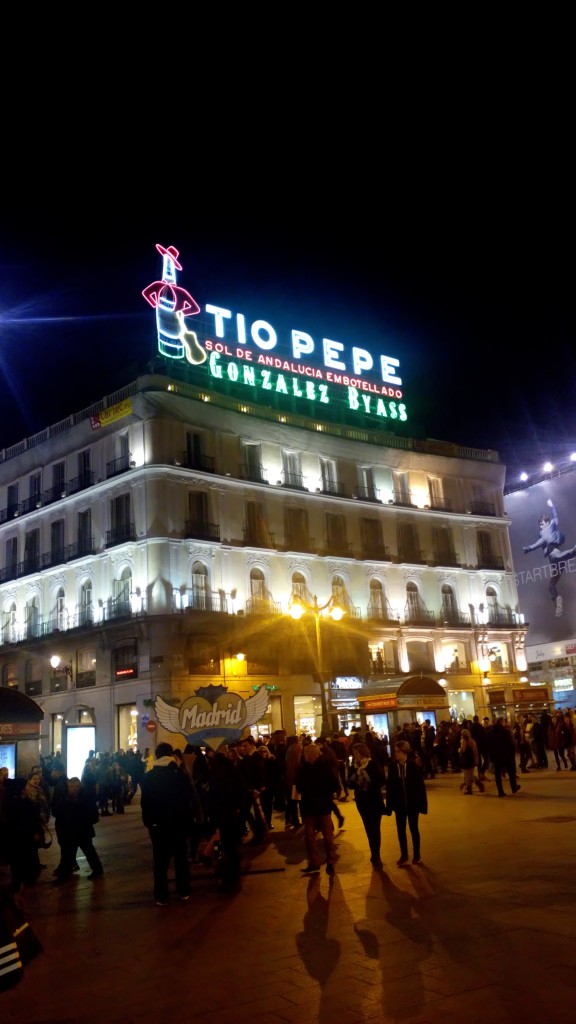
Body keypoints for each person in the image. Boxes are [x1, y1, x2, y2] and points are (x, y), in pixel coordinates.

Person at [140, 742, 192, 905]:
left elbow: (145, 803)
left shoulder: (149, 777)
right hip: (178, 824)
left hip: (158, 826)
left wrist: (149, 823)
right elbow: (188, 799)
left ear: (156, 756)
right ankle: (183, 890)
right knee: (181, 859)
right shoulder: (179, 774)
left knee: (160, 862)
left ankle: (161, 895)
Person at [522, 499, 576, 617]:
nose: (540, 526)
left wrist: (552, 506)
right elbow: (537, 543)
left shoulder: (548, 529)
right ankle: (557, 601)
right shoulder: (546, 534)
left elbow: (554, 517)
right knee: (551, 585)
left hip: (555, 557)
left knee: (561, 556)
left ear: (546, 523)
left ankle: (573, 551)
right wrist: (528, 548)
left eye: (541, 524)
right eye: (540, 524)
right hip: (556, 564)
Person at [295, 742, 338, 876]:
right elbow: (298, 786)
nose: (304, 755)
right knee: (310, 837)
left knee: (327, 836)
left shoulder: (324, 767)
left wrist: (321, 793)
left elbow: (333, 785)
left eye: (306, 753)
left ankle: (330, 861)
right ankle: (315, 862)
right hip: (310, 807)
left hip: (321, 806)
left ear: (312, 755)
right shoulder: (303, 769)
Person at [52, 777, 104, 883]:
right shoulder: (67, 797)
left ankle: (97, 869)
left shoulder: (84, 797)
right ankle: (64, 875)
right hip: (71, 831)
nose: (72, 788)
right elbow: (58, 811)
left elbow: (93, 815)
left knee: (88, 851)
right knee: (69, 854)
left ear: (78, 786)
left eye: (74, 786)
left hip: (82, 831)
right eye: (70, 786)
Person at [385, 740, 428, 865]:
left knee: (414, 828)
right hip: (399, 805)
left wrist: (422, 805)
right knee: (401, 829)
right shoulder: (393, 767)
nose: (396, 754)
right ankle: (404, 854)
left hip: (412, 804)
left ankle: (417, 854)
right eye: (395, 751)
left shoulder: (413, 766)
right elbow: (390, 787)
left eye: (398, 751)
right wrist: (390, 805)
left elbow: (420, 787)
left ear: (405, 752)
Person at [348, 742, 386, 869]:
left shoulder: (373, 764)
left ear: (362, 753)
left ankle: (376, 855)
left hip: (374, 800)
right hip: (362, 802)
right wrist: (355, 779)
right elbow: (350, 784)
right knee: (368, 829)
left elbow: (381, 780)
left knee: (375, 828)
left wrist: (367, 781)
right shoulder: (354, 767)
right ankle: (374, 853)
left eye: (356, 753)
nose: (354, 756)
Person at [490, 718, 521, 797]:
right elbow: (509, 744)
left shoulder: (491, 733)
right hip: (506, 755)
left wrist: (491, 756)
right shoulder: (505, 732)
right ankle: (513, 787)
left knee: (497, 774)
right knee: (510, 772)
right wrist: (511, 753)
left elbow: (488, 745)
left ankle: (500, 791)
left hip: (496, 756)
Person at [458, 728, 484, 794]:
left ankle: (469, 789)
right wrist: (476, 760)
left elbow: (462, 750)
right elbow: (475, 752)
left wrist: (458, 750)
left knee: (467, 775)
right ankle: (478, 784)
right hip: (471, 760)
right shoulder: (472, 741)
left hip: (466, 760)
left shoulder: (463, 741)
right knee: (471, 774)